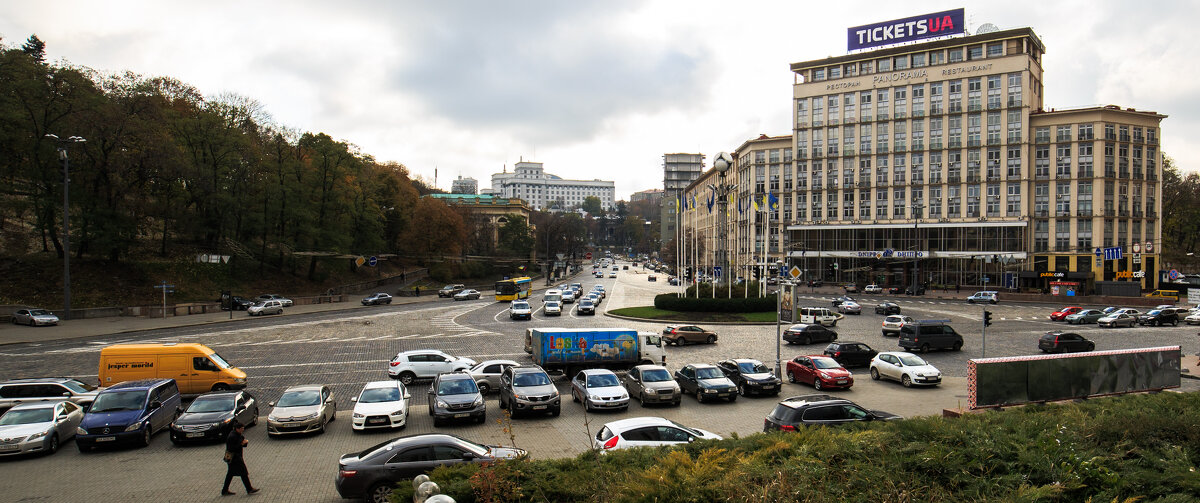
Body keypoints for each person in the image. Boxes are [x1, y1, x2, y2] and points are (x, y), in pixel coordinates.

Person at [222, 421, 259, 496]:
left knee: (230, 474)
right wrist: (241, 443)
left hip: (235, 458)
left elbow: (241, 444)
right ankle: (249, 489)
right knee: (243, 473)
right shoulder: (232, 436)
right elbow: (232, 448)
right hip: (235, 458)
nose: (243, 430)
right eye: (242, 428)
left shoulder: (237, 434)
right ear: (237, 429)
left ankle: (225, 490)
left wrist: (244, 443)